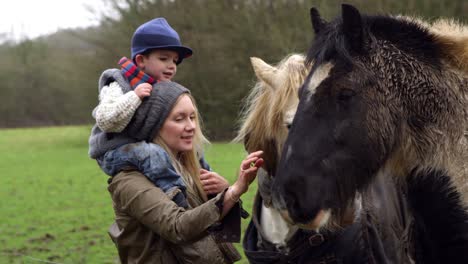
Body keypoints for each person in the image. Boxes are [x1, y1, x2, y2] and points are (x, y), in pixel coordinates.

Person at [107, 81, 264, 263]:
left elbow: (214, 231)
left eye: (192, 117)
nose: (191, 126)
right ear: (154, 125)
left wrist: (223, 193)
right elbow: (177, 228)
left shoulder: (190, 168)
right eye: (179, 119)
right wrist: (234, 191)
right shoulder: (129, 180)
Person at [89, 17, 217, 208]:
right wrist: (134, 97)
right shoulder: (119, 83)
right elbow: (105, 119)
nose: (171, 65)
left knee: (194, 149)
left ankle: (212, 187)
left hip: (139, 143)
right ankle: (177, 197)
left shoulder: (160, 87)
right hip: (114, 150)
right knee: (152, 153)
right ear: (141, 60)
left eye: (175, 61)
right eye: (164, 58)